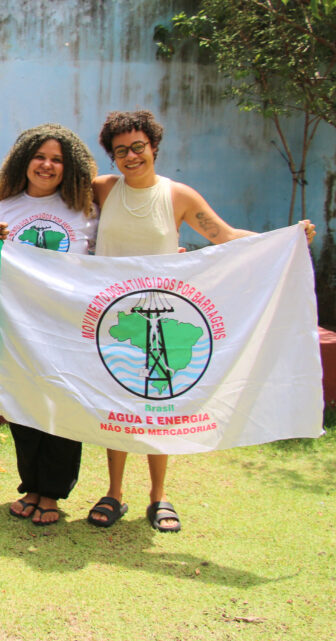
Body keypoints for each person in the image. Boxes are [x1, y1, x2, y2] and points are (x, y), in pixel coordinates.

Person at [87, 110, 317, 532]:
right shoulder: (102, 189)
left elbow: (224, 237)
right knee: (115, 404)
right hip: (115, 315)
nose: (131, 157)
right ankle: (114, 492)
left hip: (165, 311)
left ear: (153, 146)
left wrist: (288, 237)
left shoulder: (178, 196)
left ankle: (158, 496)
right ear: (113, 157)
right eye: (121, 151)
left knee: (160, 402)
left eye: (138, 147)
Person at [0, 123, 98, 525]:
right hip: (16, 328)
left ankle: (53, 492)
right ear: (24, 160)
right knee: (23, 405)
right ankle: (30, 485)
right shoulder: (3, 208)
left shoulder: (84, 209)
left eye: (57, 160)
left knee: (63, 404)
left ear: (70, 168)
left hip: (67, 328)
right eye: (40, 157)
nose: (47, 165)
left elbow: (112, 260)